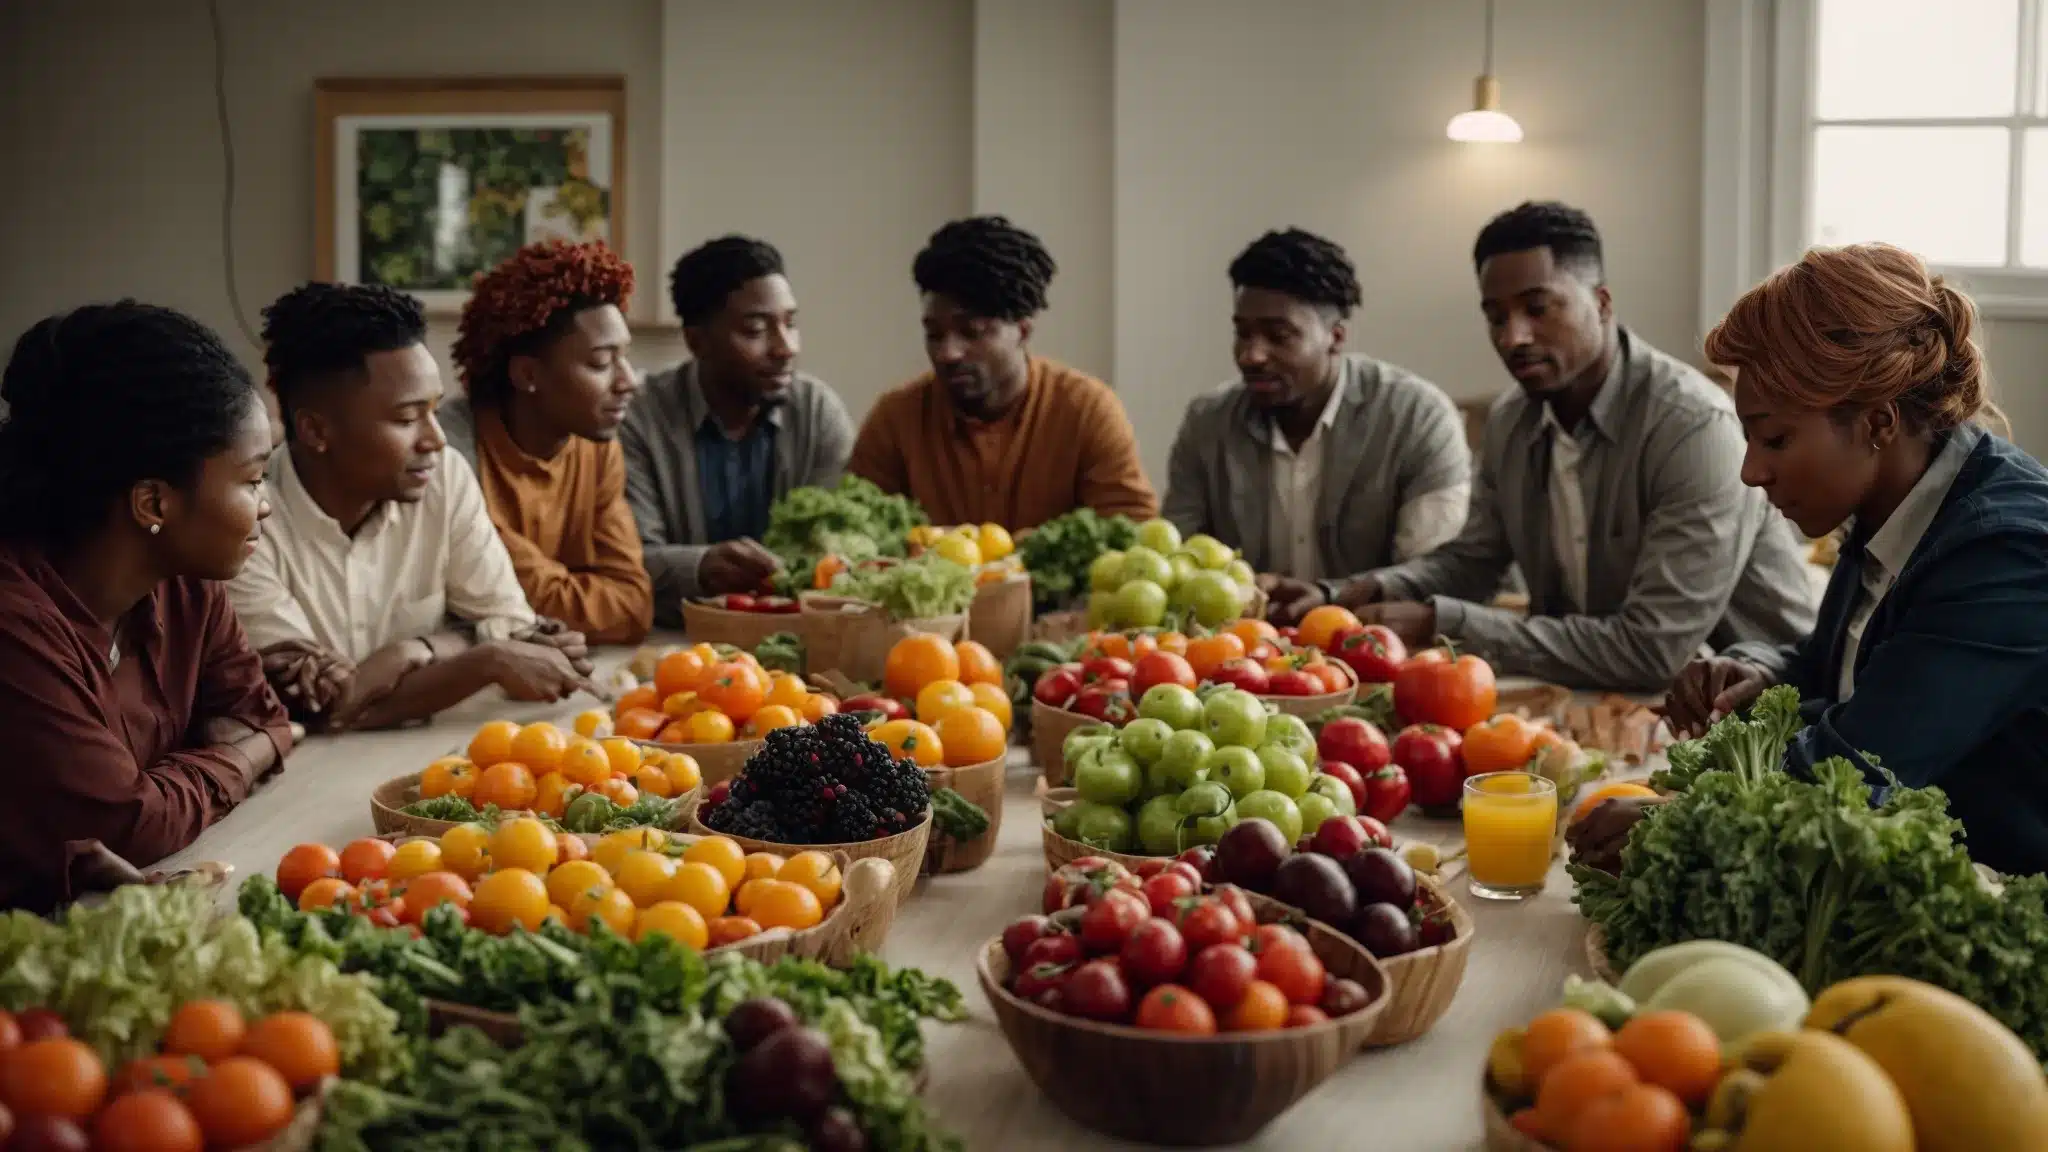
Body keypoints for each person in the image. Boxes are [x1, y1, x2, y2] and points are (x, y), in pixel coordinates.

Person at [1279, 201, 1814, 690]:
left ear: (1602, 303)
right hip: (1595, 699)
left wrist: (1447, 622)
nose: (1513, 337)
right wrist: (1353, 593)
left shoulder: (1692, 427)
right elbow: (1473, 561)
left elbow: (1653, 651)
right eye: (1496, 317)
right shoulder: (1512, 420)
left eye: (1538, 308)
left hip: (1760, 711)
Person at [1648, 243, 2048, 876]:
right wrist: (1753, 672)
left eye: (1774, 438)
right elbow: (1833, 670)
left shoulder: (2007, 553)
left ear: (1877, 422)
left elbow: (1857, 770)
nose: (1751, 472)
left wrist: (1660, 825)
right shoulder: (1894, 504)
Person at [0, 301, 293, 912]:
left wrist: (243, 747)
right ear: (154, 504)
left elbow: (264, 718)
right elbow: (126, 826)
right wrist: (240, 761)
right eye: (252, 479)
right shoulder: (15, 623)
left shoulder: (187, 583)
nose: (264, 506)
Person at [228, 282, 595, 731]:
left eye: (434, 411)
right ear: (315, 431)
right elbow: (321, 709)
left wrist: (414, 650)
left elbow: (517, 632)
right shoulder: (246, 522)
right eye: (406, 419)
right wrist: (484, 659)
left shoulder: (441, 477)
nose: (435, 440)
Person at [1164, 228, 1471, 584]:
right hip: (1243, 638)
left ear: (1336, 337)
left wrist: (1331, 597)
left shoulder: (1415, 416)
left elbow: (1436, 574)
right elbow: (1176, 564)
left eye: (1278, 336)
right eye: (1243, 334)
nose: (1252, 356)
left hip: (1378, 637)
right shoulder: (1208, 423)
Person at [847, 215, 1157, 529]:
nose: (947, 353)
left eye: (971, 332)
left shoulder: (1086, 410)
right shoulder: (896, 420)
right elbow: (853, 536)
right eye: (934, 334)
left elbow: (1131, 533)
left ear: (1023, 331)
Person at [622, 236, 855, 624]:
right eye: (756, 330)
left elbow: (838, 546)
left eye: (790, 324)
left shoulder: (817, 412)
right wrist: (700, 566)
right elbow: (626, 560)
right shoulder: (640, 419)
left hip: (800, 639)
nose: (786, 347)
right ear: (697, 341)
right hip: (674, 640)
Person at [438, 239, 655, 645]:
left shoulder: (598, 446)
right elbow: (505, 601)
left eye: (624, 357)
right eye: (601, 362)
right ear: (527, 375)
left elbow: (632, 607)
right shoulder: (452, 450)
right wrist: (578, 587)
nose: (627, 382)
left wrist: (550, 590)